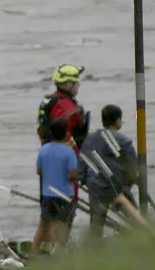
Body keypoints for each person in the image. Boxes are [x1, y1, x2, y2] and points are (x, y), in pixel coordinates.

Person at [35, 63, 88, 231]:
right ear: (68, 84)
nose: (78, 85)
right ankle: (60, 244)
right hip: (65, 166)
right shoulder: (67, 107)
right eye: (76, 82)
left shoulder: (49, 102)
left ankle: (47, 243)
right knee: (65, 210)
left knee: (47, 211)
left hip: (48, 162)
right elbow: (67, 136)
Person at [78, 104, 138, 241]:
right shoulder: (123, 141)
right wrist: (127, 185)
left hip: (95, 185)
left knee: (96, 222)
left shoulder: (90, 139)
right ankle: (143, 238)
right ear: (117, 121)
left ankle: (94, 247)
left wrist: (85, 180)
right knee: (134, 216)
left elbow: (82, 162)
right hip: (116, 186)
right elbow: (133, 167)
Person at [33, 117, 78, 255]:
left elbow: (39, 171)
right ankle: (59, 252)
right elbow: (73, 175)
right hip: (64, 194)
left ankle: (33, 252)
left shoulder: (44, 150)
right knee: (62, 225)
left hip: (47, 194)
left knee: (43, 224)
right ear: (66, 134)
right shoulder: (69, 152)